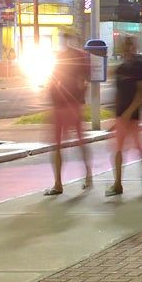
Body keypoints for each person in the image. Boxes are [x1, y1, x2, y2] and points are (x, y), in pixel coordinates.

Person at [44, 34, 92, 196]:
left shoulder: (68, 57)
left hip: (64, 105)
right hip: (68, 105)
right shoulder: (76, 57)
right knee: (78, 142)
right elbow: (84, 82)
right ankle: (87, 176)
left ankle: (59, 183)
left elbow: (81, 82)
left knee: (59, 145)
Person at [107, 37, 142, 196]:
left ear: (134, 48)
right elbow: (118, 93)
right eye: (125, 46)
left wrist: (129, 111)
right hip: (121, 115)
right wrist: (117, 116)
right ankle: (117, 183)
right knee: (118, 149)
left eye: (130, 46)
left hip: (133, 115)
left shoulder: (139, 66)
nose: (127, 49)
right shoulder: (120, 68)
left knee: (139, 147)